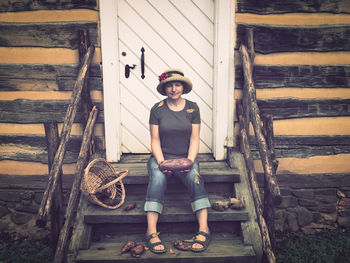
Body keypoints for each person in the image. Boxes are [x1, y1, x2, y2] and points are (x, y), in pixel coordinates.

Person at [144, 69, 211, 254]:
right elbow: (155, 140)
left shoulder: (193, 107)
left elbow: (195, 139)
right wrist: (162, 162)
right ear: (165, 88)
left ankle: (204, 228)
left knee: (194, 178)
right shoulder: (157, 109)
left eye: (177, 84)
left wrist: (189, 161)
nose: (174, 89)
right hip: (162, 158)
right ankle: (151, 231)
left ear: (183, 87)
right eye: (169, 85)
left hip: (186, 158)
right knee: (157, 178)